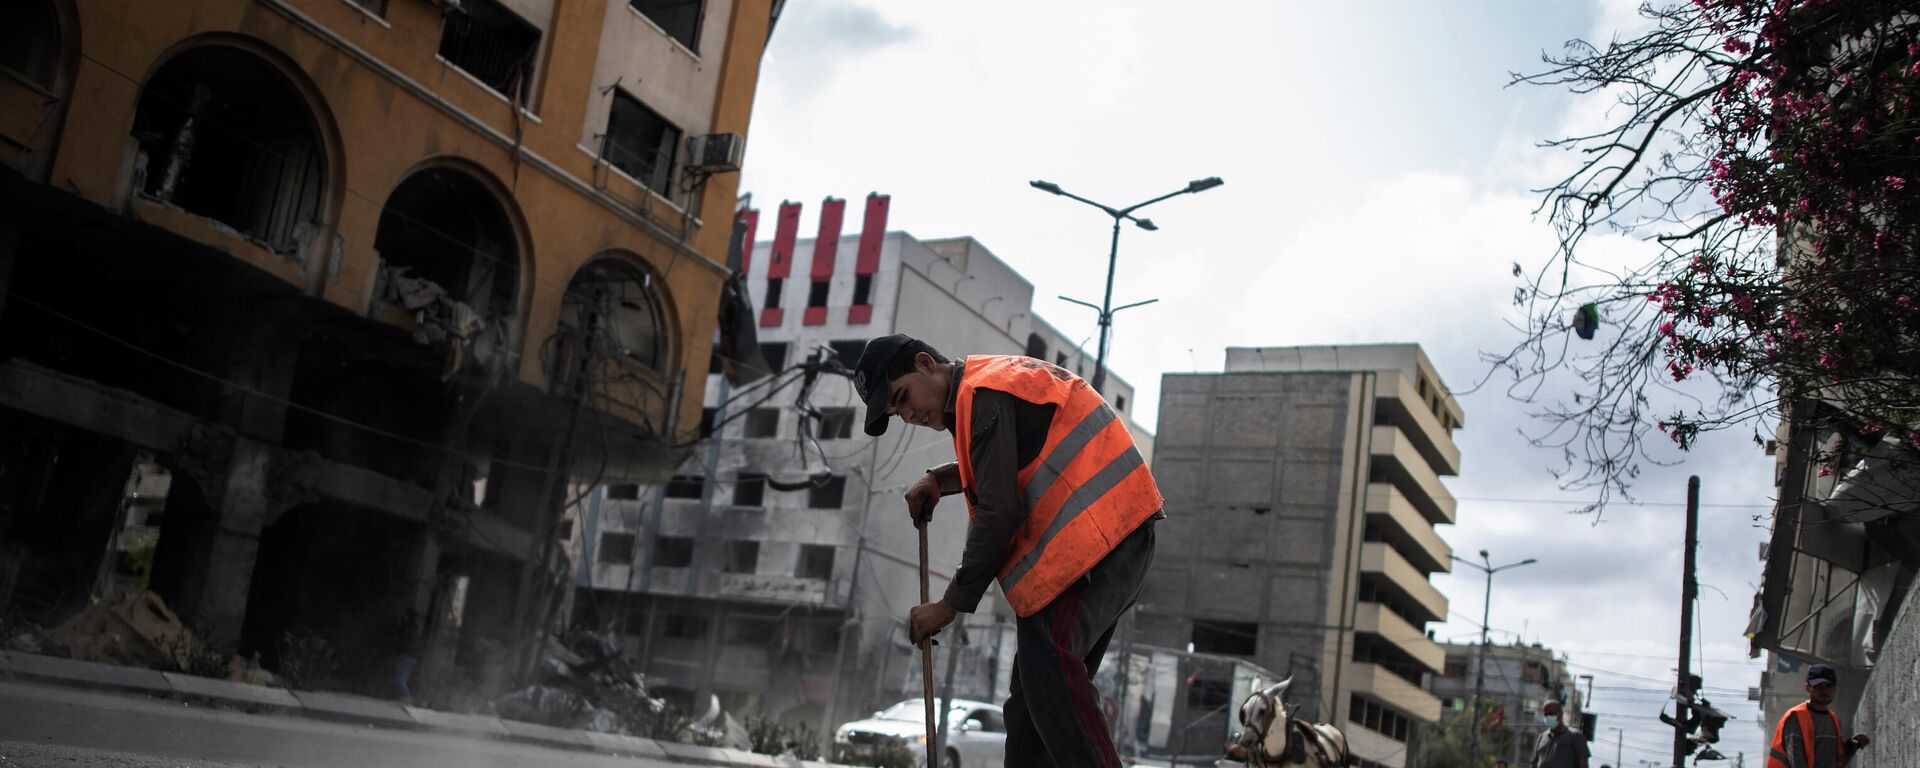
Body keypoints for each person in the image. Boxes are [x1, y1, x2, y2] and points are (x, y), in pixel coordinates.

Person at [852, 335, 1162, 768]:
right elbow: (1004, 459)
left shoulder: (983, 395)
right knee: (1031, 706)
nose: (908, 415)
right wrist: (941, 480)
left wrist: (948, 606)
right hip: (1107, 538)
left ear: (925, 363)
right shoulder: (985, 389)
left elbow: (998, 514)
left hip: (1100, 541)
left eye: (902, 397)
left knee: (1050, 670)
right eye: (896, 413)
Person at [1767, 664, 1870, 768]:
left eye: (1828, 685)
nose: (1823, 690)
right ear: (1808, 688)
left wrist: (1852, 745)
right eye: (1818, 685)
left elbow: (1836, 761)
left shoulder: (1833, 720)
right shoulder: (1796, 717)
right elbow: (1796, 761)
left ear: (1835, 689)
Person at [1530, 700, 1589, 768]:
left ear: (1561, 714)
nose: (1548, 717)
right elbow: (1534, 763)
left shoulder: (1575, 736)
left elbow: (1583, 763)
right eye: (1546, 715)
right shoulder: (1541, 738)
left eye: (1552, 714)